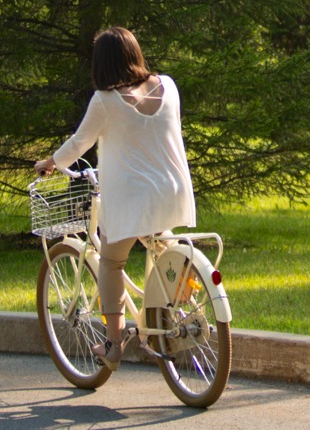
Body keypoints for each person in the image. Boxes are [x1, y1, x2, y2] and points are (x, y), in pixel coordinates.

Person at [34, 27, 196, 369]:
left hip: (133, 199)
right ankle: (177, 303)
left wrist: (51, 163)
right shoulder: (168, 86)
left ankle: (112, 343)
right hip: (174, 190)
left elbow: (80, 143)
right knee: (161, 245)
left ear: (101, 64)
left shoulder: (106, 101)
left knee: (111, 261)